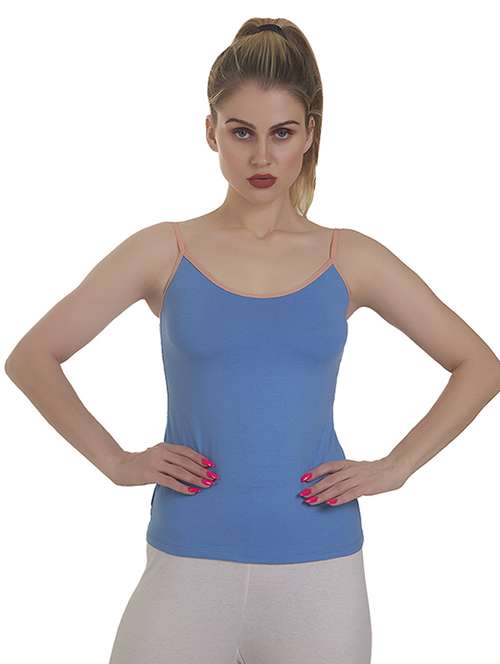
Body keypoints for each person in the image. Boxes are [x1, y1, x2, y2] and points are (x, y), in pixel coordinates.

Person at [5, 17, 500, 664]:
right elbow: (32, 357)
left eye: (281, 133)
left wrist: (397, 467)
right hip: (186, 560)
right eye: (242, 132)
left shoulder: (351, 257)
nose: (262, 157)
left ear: (309, 134)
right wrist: (116, 461)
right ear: (211, 131)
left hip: (319, 572)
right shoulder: (164, 251)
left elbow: (478, 365)